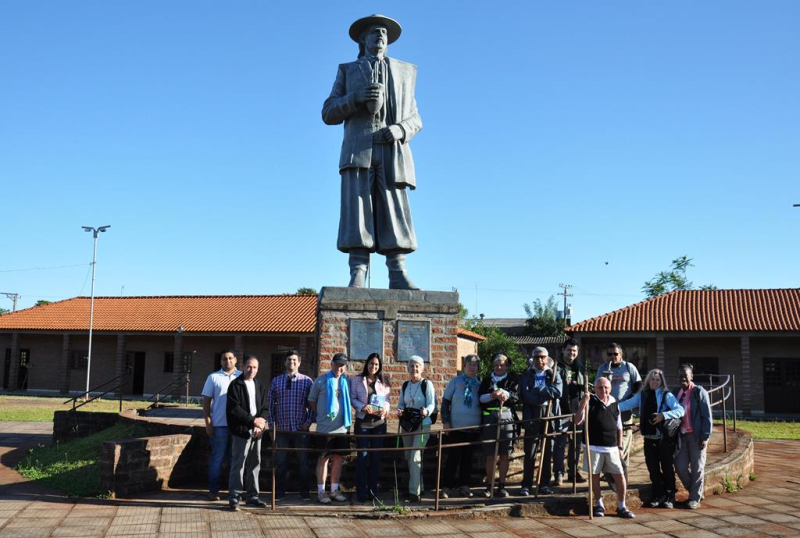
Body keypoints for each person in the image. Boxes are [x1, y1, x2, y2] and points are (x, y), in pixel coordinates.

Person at [322, 14, 423, 290]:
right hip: (359, 149)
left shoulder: (404, 73)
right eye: (374, 32)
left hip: (392, 150)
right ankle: (358, 270)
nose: (380, 36)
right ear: (362, 39)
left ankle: (398, 271)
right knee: (358, 210)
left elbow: (416, 119)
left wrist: (400, 130)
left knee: (394, 209)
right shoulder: (348, 71)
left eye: (384, 33)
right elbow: (328, 112)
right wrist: (355, 98)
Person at [618, 369, 684, 509]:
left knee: (667, 468)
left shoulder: (667, 395)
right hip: (648, 437)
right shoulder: (642, 394)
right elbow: (627, 404)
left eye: (657, 380)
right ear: (648, 380)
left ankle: (670, 495)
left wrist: (663, 415)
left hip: (664, 438)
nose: (654, 382)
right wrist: (609, 406)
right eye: (652, 379)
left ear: (661, 382)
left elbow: (680, 410)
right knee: (652, 468)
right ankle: (659, 494)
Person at [574, 377, 635, 519]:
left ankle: (622, 506)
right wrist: (583, 404)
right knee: (594, 476)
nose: (603, 390)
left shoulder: (614, 402)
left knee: (620, 476)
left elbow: (619, 427)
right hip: (594, 446)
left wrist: (620, 446)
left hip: (612, 447)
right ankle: (599, 504)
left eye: (606, 387)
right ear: (595, 389)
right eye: (600, 387)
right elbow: (577, 421)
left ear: (610, 388)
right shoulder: (590, 401)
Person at [267, 349, 313, 501]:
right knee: (280, 462)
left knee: (303, 462)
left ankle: (305, 493)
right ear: (284, 362)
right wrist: (272, 424)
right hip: (281, 429)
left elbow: (313, 404)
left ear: (299, 362)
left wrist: (308, 422)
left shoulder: (307, 381)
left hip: (300, 428)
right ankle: (279, 493)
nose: (291, 362)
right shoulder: (276, 381)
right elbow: (270, 403)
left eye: (294, 360)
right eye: (288, 360)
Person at [225, 355, 269, 511]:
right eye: (249, 367)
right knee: (239, 465)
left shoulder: (260, 385)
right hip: (241, 431)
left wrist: (261, 422)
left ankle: (253, 496)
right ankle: (234, 498)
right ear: (243, 367)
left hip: (257, 432)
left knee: (255, 464)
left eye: (255, 367)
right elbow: (235, 409)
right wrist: (253, 421)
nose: (252, 370)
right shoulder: (235, 385)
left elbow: (265, 407)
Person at [308, 353, 353, 504]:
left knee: (339, 459)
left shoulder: (347, 382)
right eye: (338, 364)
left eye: (343, 365)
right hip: (324, 428)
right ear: (332, 364)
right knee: (323, 459)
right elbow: (312, 401)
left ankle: (334, 489)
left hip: (342, 428)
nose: (340, 368)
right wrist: (322, 414)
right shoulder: (320, 381)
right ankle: (321, 491)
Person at [519, 347, 562, 496]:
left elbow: (557, 392)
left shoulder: (553, 373)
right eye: (537, 357)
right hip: (532, 414)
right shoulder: (527, 374)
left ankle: (544, 483)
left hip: (549, 414)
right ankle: (526, 485)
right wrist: (543, 393)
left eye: (542, 357)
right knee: (530, 451)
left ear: (547, 358)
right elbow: (525, 394)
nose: (540, 360)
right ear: (533, 359)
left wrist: (538, 390)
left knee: (547, 450)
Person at [350, 352, 391, 502]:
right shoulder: (356, 380)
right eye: (371, 363)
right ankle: (361, 491)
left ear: (379, 366)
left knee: (375, 458)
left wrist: (386, 409)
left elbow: (387, 400)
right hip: (363, 423)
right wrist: (362, 407)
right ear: (366, 364)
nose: (373, 367)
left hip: (379, 424)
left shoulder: (384, 381)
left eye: (376, 364)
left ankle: (372, 490)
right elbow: (352, 398)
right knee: (362, 457)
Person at [598, 343, 642, 482]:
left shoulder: (629, 367)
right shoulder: (603, 368)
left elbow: (638, 386)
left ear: (621, 355)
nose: (612, 357)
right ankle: (610, 472)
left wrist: (629, 401)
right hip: (607, 411)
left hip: (624, 411)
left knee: (624, 442)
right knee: (608, 441)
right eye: (609, 354)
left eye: (615, 354)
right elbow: (597, 386)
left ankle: (623, 472)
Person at [201, 349, 241, 501]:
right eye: (225, 359)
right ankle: (213, 490)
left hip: (237, 427)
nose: (228, 361)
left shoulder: (241, 376)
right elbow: (206, 402)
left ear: (236, 360)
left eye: (231, 358)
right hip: (219, 425)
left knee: (234, 460)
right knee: (217, 459)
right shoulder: (213, 377)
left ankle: (233, 492)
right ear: (221, 361)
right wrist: (208, 423)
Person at [440, 354, 482, 498]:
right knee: (453, 458)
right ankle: (447, 487)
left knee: (467, 459)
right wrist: (446, 422)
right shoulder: (455, 382)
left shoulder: (479, 385)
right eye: (469, 364)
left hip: (473, 428)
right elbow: (445, 403)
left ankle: (464, 486)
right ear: (464, 366)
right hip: (456, 428)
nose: (472, 367)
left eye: (475, 365)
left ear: (478, 368)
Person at [478, 353, 519, 498]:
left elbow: (516, 397)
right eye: (496, 364)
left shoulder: (512, 380)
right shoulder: (487, 380)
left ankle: (501, 485)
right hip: (490, 417)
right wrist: (492, 396)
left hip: (506, 416)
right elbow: (481, 398)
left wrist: (505, 393)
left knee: (504, 454)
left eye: (502, 364)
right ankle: (490, 485)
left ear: (506, 365)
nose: (499, 367)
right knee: (490, 455)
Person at [672, 363, 713, 510]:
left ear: (691, 376)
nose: (683, 378)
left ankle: (694, 498)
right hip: (681, 436)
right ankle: (696, 492)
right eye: (680, 376)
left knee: (697, 468)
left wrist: (705, 437)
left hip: (696, 436)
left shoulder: (698, 392)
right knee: (680, 466)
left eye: (686, 375)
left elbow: (707, 416)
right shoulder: (675, 392)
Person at [396, 355, 436, 502]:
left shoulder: (427, 384)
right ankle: (421, 487)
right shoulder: (405, 385)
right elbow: (401, 403)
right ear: (408, 369)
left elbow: (432, 404)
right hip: (407, 424)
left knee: (415, 456)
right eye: (412, 366)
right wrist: (399, 410)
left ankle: (414, 493)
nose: (414, 369)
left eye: (417, 366)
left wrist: (427, 411)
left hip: (422, 423)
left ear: (422, 368)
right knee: (409, 457)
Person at [553, 338, 586, 485]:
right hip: (561, 410)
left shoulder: (580, 367)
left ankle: (573, 472)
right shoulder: (556, 367)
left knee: (576, 444)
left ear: (577, 352)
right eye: (569, 350)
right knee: (560, 443)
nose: (571, 353)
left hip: (577, 410)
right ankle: (558, 473)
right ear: (563, 350)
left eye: (574, 351)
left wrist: (582, 408)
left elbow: (584, 389)